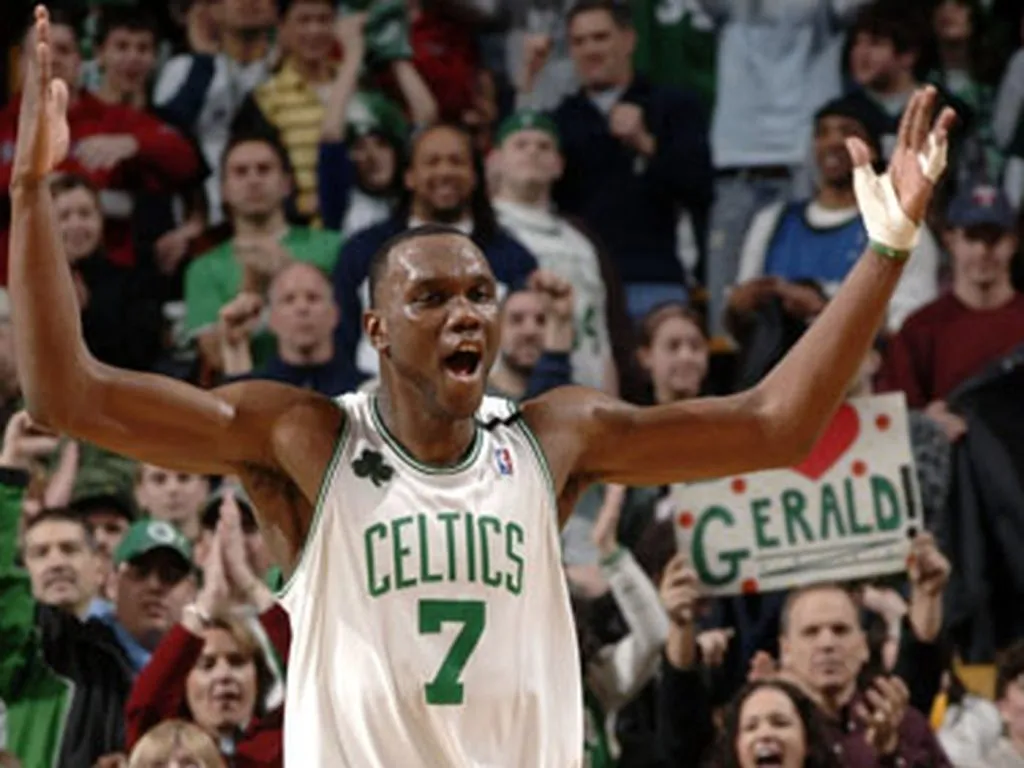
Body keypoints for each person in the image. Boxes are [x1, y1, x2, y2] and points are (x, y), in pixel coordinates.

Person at [9, 7, 956, 765]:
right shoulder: (304, 437)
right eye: (431, 298)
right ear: (376, 330)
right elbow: (67, 397)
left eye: (479, 295)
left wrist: (886, 250)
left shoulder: (556, 437)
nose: (465, 314)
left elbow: (772, 428)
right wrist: (30, 193)